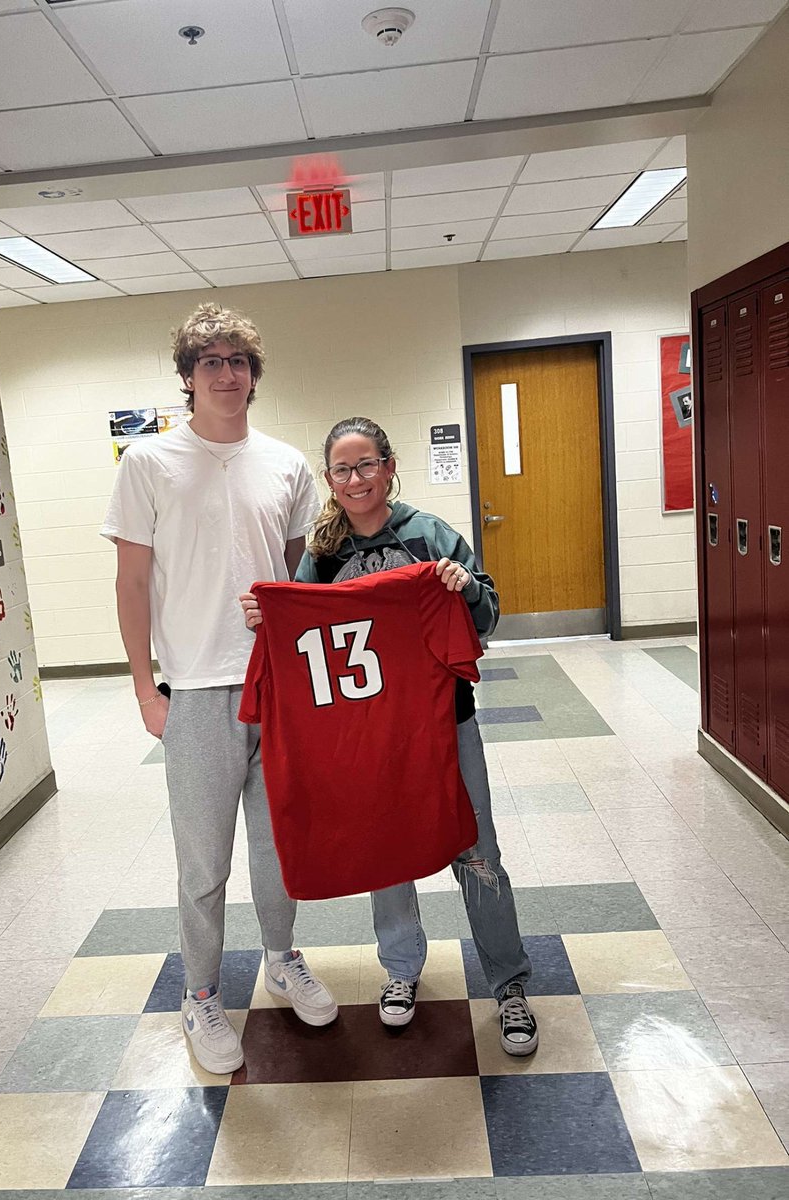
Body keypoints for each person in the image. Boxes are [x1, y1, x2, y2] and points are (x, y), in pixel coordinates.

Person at [241, 416, 538, 1056]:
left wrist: (464, 590)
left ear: (389, 466)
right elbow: (299, 641)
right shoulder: (319, 556)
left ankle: (509, 984)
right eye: (344, 469)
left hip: (442, 722)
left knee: (477, 844)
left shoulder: (430, 536)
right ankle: (400, 970)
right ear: (330, 479)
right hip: (368, 738)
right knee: (387, 848)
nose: (357, 479)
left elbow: (489, 613)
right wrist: (266, 616)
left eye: (367, 464)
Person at [102, 303, 338, 1075]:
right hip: (197, 691)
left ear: (254, 375)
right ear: (188, 377)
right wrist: (146, 690)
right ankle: (201, 994)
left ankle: (282, 957)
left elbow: (307, 580)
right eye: (211, 361)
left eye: (238, 360)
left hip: (277, 689)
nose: (227, 373)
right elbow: (131, 582)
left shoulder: (287, 463)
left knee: (280, 850)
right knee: (203, 864)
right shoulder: (148, 463)